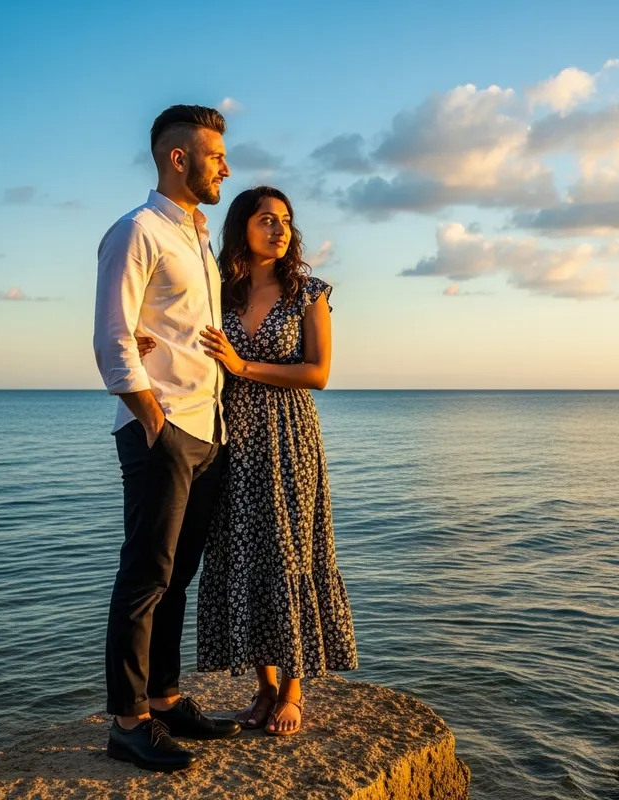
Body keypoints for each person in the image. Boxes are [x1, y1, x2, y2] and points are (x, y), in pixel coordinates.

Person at [93, 104, 240, 773]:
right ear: (178, 158)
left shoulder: (197, 240)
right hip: (166, 429)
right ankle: (128, 723)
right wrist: (154, 421)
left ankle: (166, 697)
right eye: (215, 156)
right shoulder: (137, 231)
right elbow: (112, 336)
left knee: (177, 577)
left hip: (207, 428)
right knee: (146, 577)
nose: (226, 168)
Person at [194, 186, 358, 735]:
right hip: (232, 436)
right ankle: (263, 688)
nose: (280, 229)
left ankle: (293, 689)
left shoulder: (307, 292)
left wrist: (243, 366)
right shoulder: (216, 290)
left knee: (290, 551)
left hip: (290, 437)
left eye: (286, 221)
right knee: (243, 551)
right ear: (242, 227)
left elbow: (318, 373)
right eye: (267, 219)